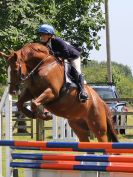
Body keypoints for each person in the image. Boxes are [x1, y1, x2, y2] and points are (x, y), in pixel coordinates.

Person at [38, 24, 88, 102]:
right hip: (61, 57)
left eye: (42, 34)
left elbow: (66, 54)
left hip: (72, 57)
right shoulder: (44, 44)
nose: (41, 36)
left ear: (49, 35)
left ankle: (83, 92)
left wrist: (54, 54)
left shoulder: (57, 41)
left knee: (77, 72)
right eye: (40, 34)